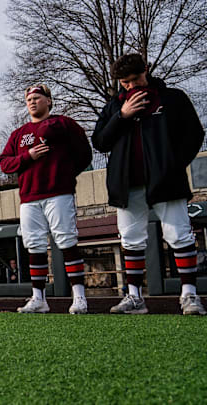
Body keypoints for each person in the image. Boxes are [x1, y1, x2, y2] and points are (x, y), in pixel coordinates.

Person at [92, 54, 206, 315]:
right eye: (125, 82)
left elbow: (194, 134)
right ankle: (134, 298)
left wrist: (172, 165)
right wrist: (122, 115)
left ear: (147, 70)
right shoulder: (114, 106)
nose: (131, 86)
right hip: (127, 184)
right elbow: (100, 142)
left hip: (166, 181)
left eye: (135, 79)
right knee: (131, 240)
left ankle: (189, 295)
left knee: (179, 235)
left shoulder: (172, 98)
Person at [0, 84, 92, 314]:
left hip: (58, 192)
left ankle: (79, 297)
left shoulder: (63, 123)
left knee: (67, 240)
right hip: (29, 196)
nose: (32, 102)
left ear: (49, 101)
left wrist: (65, 173)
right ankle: (39, 298)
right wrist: (28, 156)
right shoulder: (19, 134)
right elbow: (5, 163)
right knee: (34, 246)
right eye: (29, 99)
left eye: (37, 97)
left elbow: (84, 153)